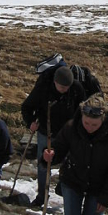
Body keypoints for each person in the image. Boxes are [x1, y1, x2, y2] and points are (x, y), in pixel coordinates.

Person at [21, 64, 86, 206]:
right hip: (46, 130)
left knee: (71, 163)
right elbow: (26, 107)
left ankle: (64, 188)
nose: (64, 90)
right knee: (44, 164)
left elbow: (83, 110)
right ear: (55, 82)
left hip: (69, 133)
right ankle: (42, 196)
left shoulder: (76, 89)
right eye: (62, 87)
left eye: (67, 87)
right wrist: (31, 122)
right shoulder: (43, 87)